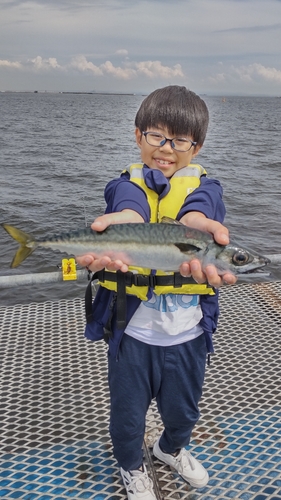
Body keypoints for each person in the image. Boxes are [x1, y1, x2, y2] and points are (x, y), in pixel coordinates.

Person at [76, 85, 237, 500]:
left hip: (188, 337)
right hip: (133, 336)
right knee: (127, 419)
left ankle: (169, 449)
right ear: (138, 136)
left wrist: (196, 225)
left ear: (196, 146)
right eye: (156, 136)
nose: (167, 149)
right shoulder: (124, 184)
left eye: (180, 140)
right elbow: (130, 206)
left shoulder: (208, 188)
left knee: (184, 413)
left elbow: (199, 210)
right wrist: (125, 224)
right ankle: (132, 467)